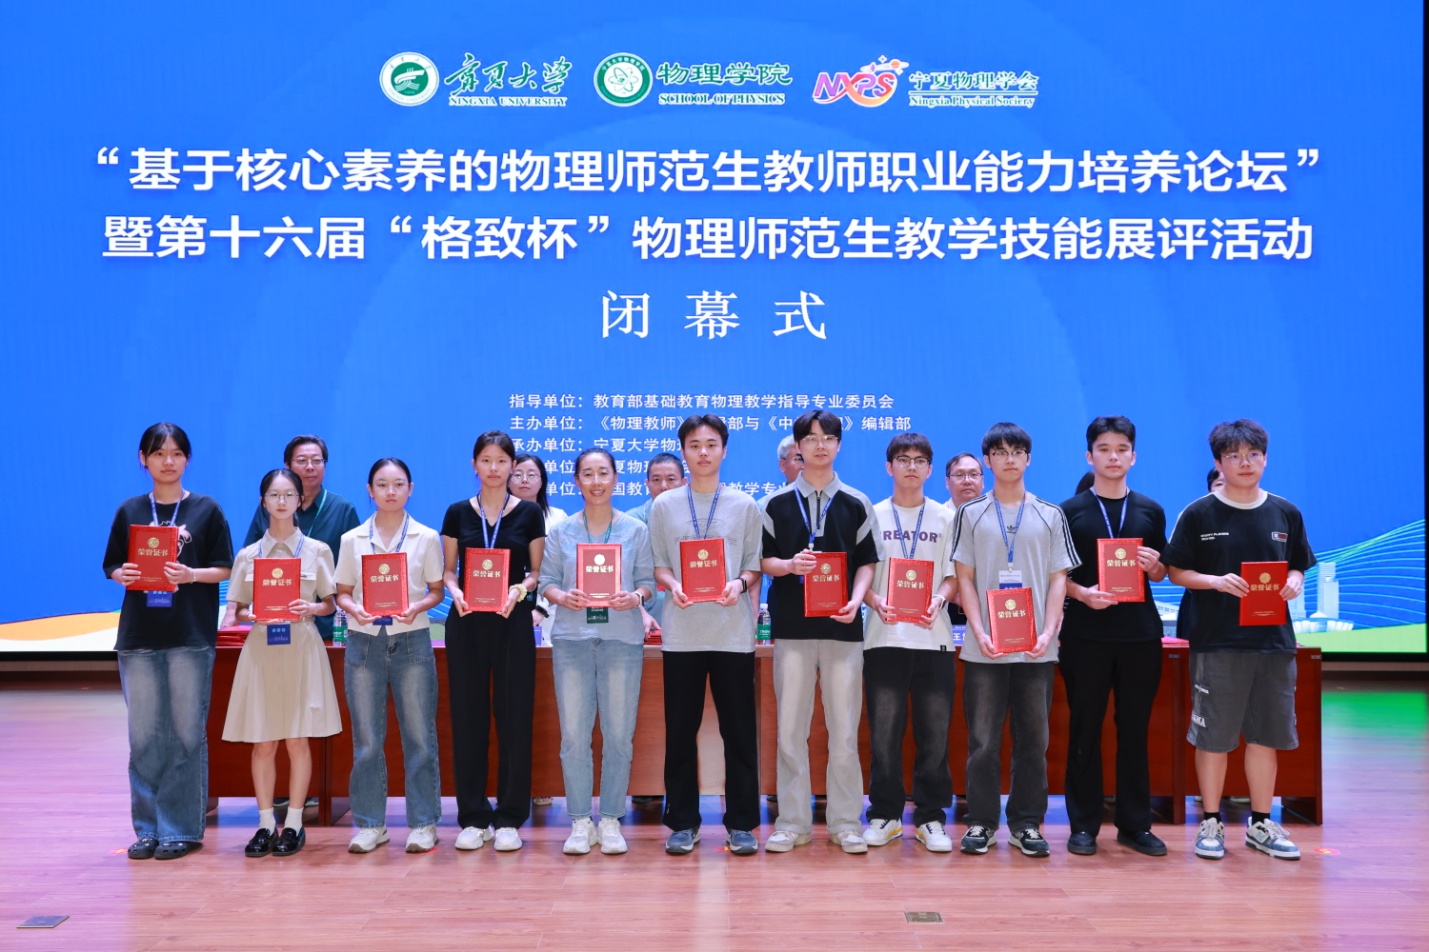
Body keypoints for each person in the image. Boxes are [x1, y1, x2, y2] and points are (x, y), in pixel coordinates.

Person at [1164, 419, 1314, 861]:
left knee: (1266, 736)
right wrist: (1214, 581)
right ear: (1218, 463)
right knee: (1213, 736)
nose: (1244, 463)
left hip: (1274, 643)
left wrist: (1295, 580)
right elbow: (1176, 572)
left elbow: (1297, 563)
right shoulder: (1199, 513)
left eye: (1253, 455)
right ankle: (1210, 821)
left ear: (1265, 459)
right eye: (1234, 456)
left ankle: (1261, 823)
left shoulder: (1285, 512)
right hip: (1218, 642)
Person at [104, 423, 233, 861]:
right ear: (143, 459)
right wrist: (122, 574)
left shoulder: (206, 509)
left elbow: (224, 567)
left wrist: (191, 574)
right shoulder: (130, 510)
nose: (168, 461)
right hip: (139, 636)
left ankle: (181, 828)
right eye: (158, 453)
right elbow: (112, 566)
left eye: (176, 453)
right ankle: (148, 830)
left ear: (187, 459)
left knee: (185, 735)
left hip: (189, 635)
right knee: (144, 737)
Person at [951, 422, 1078, 857]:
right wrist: (979, 630)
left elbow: (1059, 579)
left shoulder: (1049, 514)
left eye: (1017, 451)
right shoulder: (970, 514)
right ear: (988, 460)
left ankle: (1026, 824)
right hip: (984, 649)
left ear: (1028, 458)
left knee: (1033, 742)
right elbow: (964, 579)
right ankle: (982, 822)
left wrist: (1049, 631)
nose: (1009, 459)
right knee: (982, 742)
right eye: (1000, 452)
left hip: (1036, 649)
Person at [760, 410, 881, 854]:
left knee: (844, 731)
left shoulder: (856, 502)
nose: (820, 445)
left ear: (838, 445)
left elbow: (867, 561)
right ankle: (792, 823)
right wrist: (789, 565)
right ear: (798, 447)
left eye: (828, 438)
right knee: (791, 731)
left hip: (843, 630)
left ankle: (846, 822)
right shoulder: (774, 503)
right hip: (792, 630)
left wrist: (857, 598)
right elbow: (763, 561)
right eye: (810, 439)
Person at [648, 415, 763, 856]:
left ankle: (742, 824)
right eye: (694, 445)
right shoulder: (664, 505)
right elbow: (659, 563)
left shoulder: (745, 505)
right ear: (684, 451)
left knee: (739, 733)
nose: (703, 452)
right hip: (682, 635)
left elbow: (753, 563)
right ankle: (682, 822)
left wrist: (740, 583)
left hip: (733, 634)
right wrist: (672, 584)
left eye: (711, 444)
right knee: (680, 731)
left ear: (724, 450)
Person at [1059, 417, 1169, 857]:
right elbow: (1054, 576)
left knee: (1135, 729)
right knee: (1085, 727)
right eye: (1104, 449)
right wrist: (1083, 594)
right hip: (1086, 634)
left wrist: (1155, 566)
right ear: (1090, 456)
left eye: (1122, 449)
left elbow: (1162, 572)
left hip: (1139, 634)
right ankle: (1083, 825)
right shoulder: (1068, 511)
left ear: (1133, 457)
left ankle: (1135, 824)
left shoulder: (1150, 510)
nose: (1113, 457)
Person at [539, 447, 655, 856]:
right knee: (574, 736)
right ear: (576, 481)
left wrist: (635, 597)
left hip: (622, 640)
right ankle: (579, 822)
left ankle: (609, 819)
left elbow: (648, 583)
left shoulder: (635, 530)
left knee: (619, 734)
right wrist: (562, 596)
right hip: (571, 639)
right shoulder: (561, 531)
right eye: (587, 474)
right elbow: (546, 582)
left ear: (615, 478)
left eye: (603, 473)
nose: (596, 481)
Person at [222, 467, 341, 858]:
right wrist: (250, 615)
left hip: (302, 647)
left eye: (289, 494)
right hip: (262, 650)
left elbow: (330, 603)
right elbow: (236, 610)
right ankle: (264, 824)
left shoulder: (318, 550)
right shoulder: (248, 555)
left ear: (299, 500)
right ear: (263, 502)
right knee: (263, 741)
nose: (282, 501)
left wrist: (312, 607)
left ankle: (294, 823)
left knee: (297, 739)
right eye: (274, 495)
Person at [336, 458, 447, 854]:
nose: (390, 491)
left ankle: (423, 823)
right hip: (364, 640)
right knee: (367, 740)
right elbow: (342, 592)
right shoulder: (352, 539)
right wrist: (354, 608)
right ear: (369, 490)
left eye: (398, 484)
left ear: (410, 489)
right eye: (382, 485)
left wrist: (418, 607)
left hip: (412, 639)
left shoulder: (426, 537)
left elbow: (437, 590)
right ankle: (370, 824)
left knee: (419, 737)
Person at [442, 433, 547, 853]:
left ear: (511, 466)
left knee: (514, 718)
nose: (494, 468)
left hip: (511, 620)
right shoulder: (456, 513)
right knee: (468, 718)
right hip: (467, 621)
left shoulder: (529, 514)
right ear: (474, 464)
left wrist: (519, 591)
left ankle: (509, 817)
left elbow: (535, 573)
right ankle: (472, 816)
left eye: (502, 460)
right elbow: (449, 570)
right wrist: (455, 591)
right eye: (486, 460)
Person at [860, 433, 959, 854]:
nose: (911, 467)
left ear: (930, 469)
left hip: (933, 639)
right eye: (903, 459)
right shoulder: (871, 514)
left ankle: (931, 817)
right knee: (884, 735)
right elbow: (860, 574)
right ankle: (884, 815)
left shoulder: (946, 517)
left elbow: (954, 575)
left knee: (934, 735)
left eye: (920, 460)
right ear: (889, 467)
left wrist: (940, 598)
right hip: (883, 639)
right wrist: (873, 600)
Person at [232, 435, 359, 641]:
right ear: (287, 465)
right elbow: (248, 562)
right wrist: (235, 613)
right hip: (272, 623)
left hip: (328, 626)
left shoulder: (342, 509)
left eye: (317, 461)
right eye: (301, 460)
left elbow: (355, 570)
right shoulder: (268, 509)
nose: (310, 467)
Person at [628, 451, 687, 639]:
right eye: (656, 480)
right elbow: (622, 576)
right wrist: (639, 611)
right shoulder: (632, 521)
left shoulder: (697, 519)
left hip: (688, 607)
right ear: (647, 484)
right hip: (645, 609)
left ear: (684, 483)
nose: (663, 486)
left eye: (671, 479)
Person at [511, 453, 565, 644]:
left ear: (542, 481)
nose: (524, 480)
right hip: (507, 604)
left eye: (532, 474)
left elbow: (564, 570)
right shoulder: (496, 520)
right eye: (518, 474)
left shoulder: (558, 519)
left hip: (549, 609)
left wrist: (542, 609)